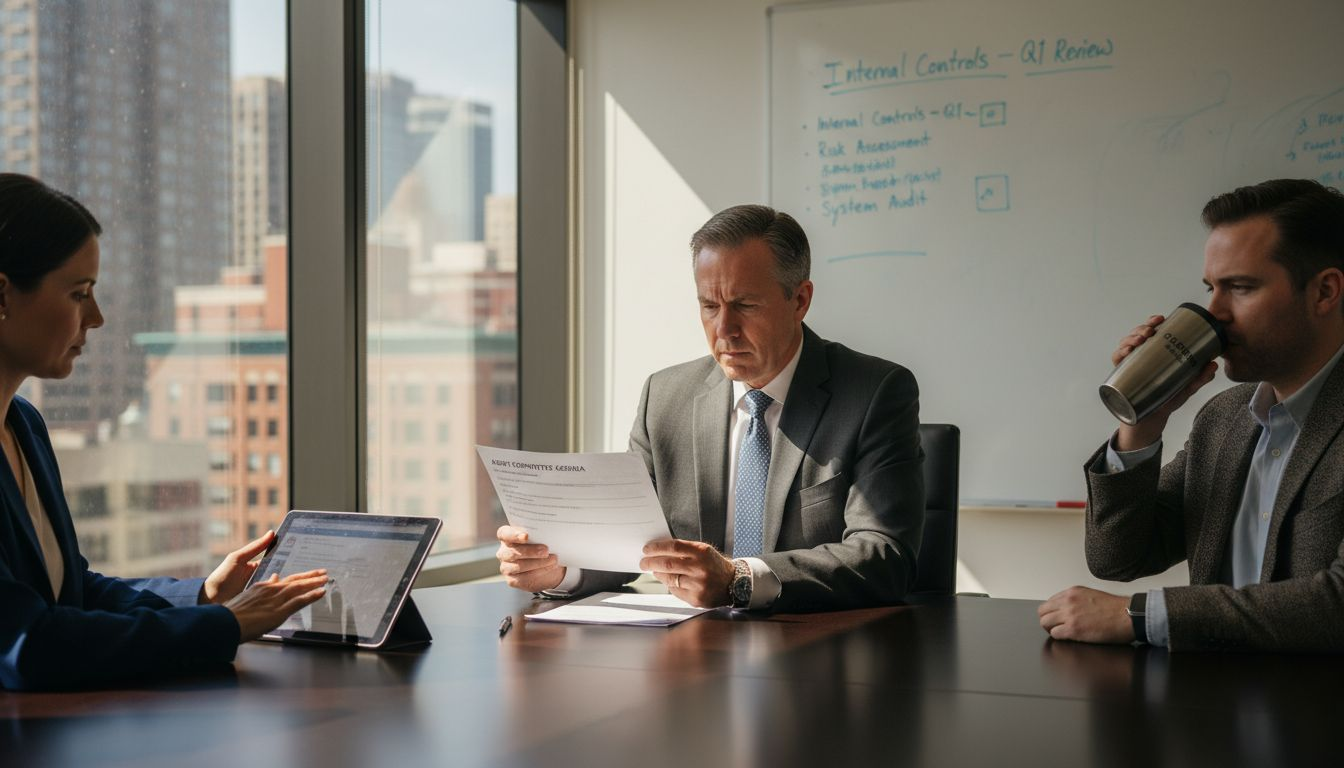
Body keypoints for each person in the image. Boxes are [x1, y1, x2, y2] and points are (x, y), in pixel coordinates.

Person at [496, 204, 925, 611]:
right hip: (692, 656)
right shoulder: (665, 397)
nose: (725, 329)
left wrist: (740, 579)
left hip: (818, 651)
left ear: (800, 300)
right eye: (709, 306)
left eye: (745, 305)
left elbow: (883, 554)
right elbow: (630, 544)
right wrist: (559, 569)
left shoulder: (875, 393)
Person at [0, 173, 329, 690]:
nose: (98, 317)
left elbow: (72, 592)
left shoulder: (24, 426)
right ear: (2, 294)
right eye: (79, 293)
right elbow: (27, 643)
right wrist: (227, 625)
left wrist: (203, 597)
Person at [1039, 178, 1344, 652]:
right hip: (1212, 709)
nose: (1214, 311)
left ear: (1324, 291)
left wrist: (1140, 615)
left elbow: (1336, 605)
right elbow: (1117, 558)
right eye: (1210, 288)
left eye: (1240, 287)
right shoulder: (1224, 419)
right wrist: (1141, 424)